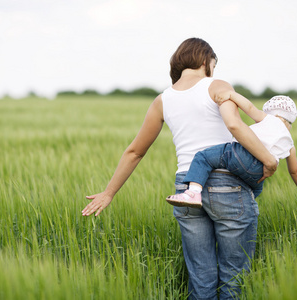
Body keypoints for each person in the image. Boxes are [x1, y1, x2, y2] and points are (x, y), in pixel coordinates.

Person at [82, 37, 278, 299]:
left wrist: (109, 193)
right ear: (206, 60)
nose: (214, 70)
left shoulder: (163, 100)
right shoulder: (217, 85)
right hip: (226, 182)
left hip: (186, 188)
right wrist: (268, 159)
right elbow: (234, 125)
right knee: (235, 279)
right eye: (213, 64)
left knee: (201, 280)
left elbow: (135, 151)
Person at [166, 95, 297, 208]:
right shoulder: (289, 143)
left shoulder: (267, 119)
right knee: (256, 188)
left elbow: (249, 108)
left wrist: (231, 95)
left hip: (239, 154)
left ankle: (193, 193)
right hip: (259, 172)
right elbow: (295, 170)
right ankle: (245, 204)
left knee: (202, 157)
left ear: (270, 112)